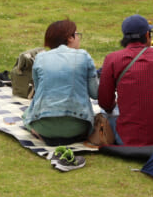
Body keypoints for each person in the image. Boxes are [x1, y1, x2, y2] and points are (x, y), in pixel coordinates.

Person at [98, 15, 153, 147]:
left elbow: (105, 102)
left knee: (104, 115)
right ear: (147, 35)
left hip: (127, 139)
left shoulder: (112, 59)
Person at [23, 19, 98, 149]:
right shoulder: (84, 56)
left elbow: (38, 91)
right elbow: (95, 93)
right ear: (70, 37)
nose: (79, 38)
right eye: (77, 34)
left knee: (26, 113)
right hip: (78, 127)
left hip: (43, 127)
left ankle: (36, 131)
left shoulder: (40, 58)